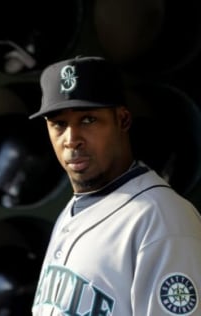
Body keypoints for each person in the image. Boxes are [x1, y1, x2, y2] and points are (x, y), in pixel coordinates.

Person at [28, 56, 201, 316]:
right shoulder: (73, 209)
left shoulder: (162, 218)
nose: (71, 139)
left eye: (88, 120)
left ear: (123, 120)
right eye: (59, 124)